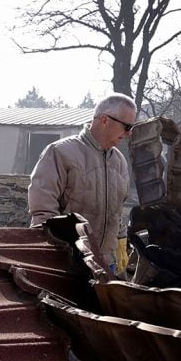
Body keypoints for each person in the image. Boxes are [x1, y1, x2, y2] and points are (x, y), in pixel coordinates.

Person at [27, 93, 134, 270]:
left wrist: (121, 239)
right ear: (104, 120)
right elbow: (42, 210)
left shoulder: (119, 161)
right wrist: (52, 256)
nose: (129, 133)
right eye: (126, 126)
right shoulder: (61, 152)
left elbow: (116, 210)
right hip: (67, 262)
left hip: (106, 264)